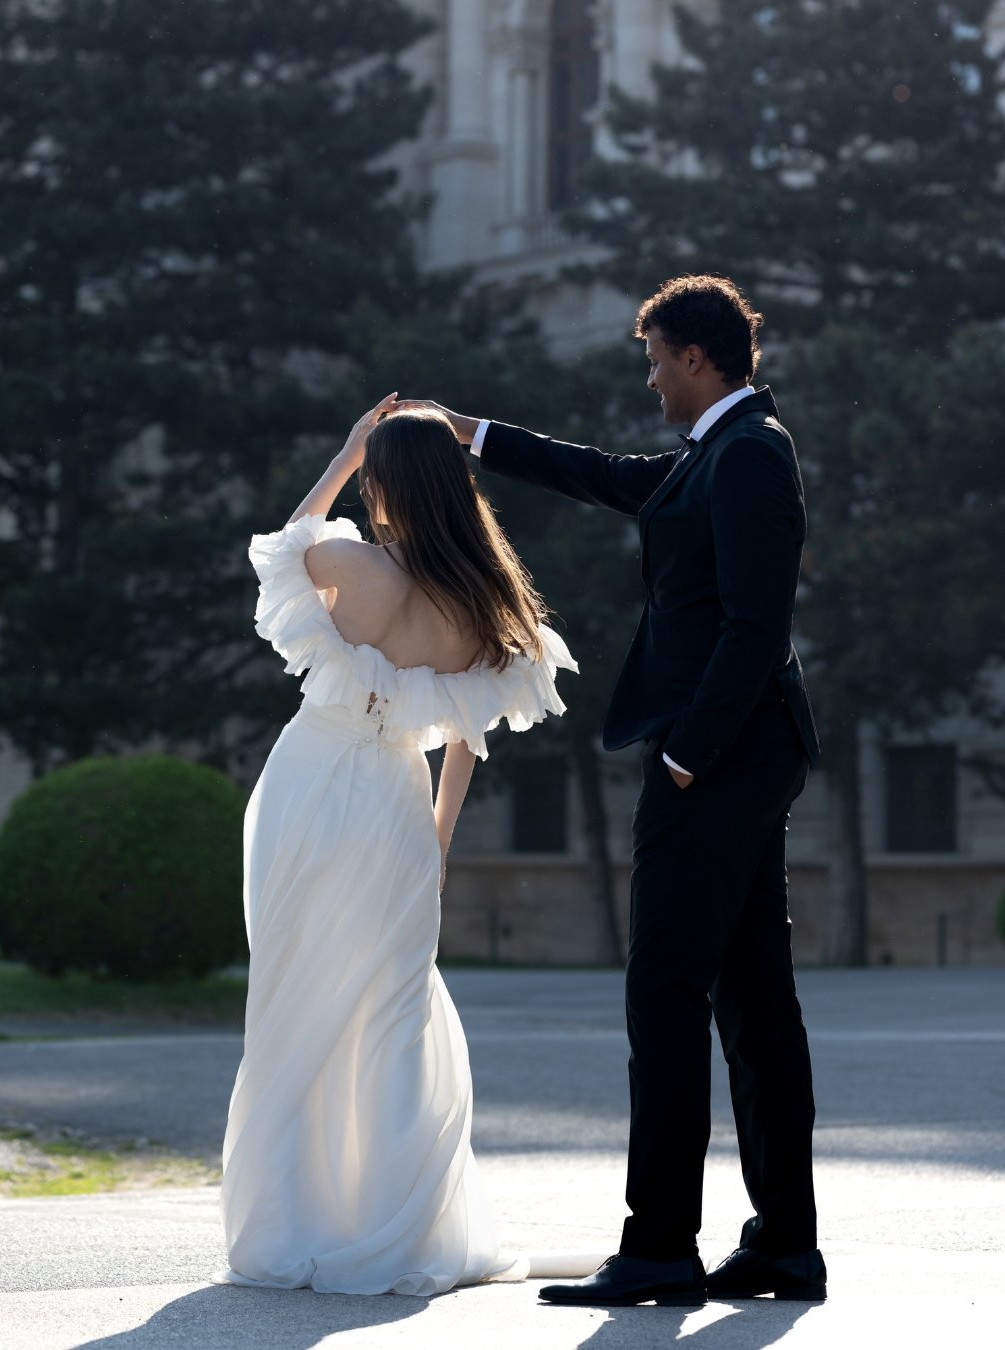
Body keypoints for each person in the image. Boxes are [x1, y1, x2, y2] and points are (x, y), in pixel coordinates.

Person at [401, 273, 826, 1308]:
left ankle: (660, 1249)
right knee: (752, 997)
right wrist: (473, 433)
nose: (649, 381)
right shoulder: (711, 456)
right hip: (732, 756)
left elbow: (756, 624)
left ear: (695, 357)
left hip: (718, 761)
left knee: (665, 993)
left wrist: (688, 753)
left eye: (654, 361)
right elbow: (602, 475)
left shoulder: (750, 455)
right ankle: (782, 1244)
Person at [219, 397, 580, 1296]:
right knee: (392, 1011)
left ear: (382, 482)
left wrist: (343, 452)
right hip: (395, 802)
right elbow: (465, 738)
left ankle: (293, 1221)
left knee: (294, 999)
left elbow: (285, 538)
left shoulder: (348, 560)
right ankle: (394, 1224)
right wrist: (439, 839)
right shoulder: (486, 601)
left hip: (307, 785)